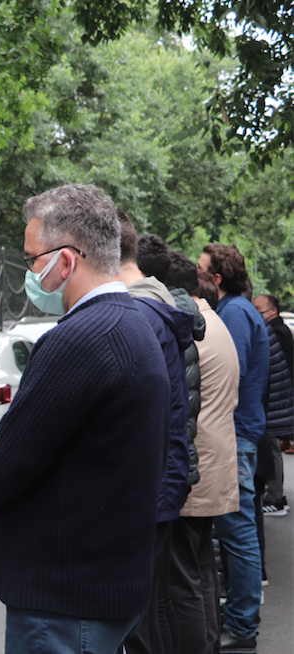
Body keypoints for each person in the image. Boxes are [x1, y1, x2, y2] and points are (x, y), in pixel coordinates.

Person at [0, 184, 170, 654]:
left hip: (66, 597)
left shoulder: (81, 338)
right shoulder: (134, 325)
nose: (30, 272)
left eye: (32, 259)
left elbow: (17, 448)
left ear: (66, 261)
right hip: (107, 582)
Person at [117, 221, 195, 654]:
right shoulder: (157, 306)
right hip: (165, 476)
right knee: (154, 610)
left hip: (150, 483)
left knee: (140, 622)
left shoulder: (140, 314)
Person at [166, 256, 240, 653]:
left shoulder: (193, 329)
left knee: (183, 579)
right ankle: (209, 643)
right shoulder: (214, 321)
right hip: (213, 465)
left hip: (198, 467)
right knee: (201, 571)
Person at [198, 244, 269, 652]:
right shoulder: (236, 309)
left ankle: (242, 625)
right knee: (235, 529)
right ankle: (240, 619)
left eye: (201, 269)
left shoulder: (236, 313)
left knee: (237, 531)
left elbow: (230, 374)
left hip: (235, 433)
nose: (196, 274)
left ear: (216, 278)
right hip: (239, 431)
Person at [252, 294, 292, 516]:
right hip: (278, 401)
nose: (255, 314)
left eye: (259, 310)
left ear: (273, 311)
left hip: (275, 401)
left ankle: (275, 498)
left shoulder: (276, 332)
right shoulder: (280, 330)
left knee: (272, 448)